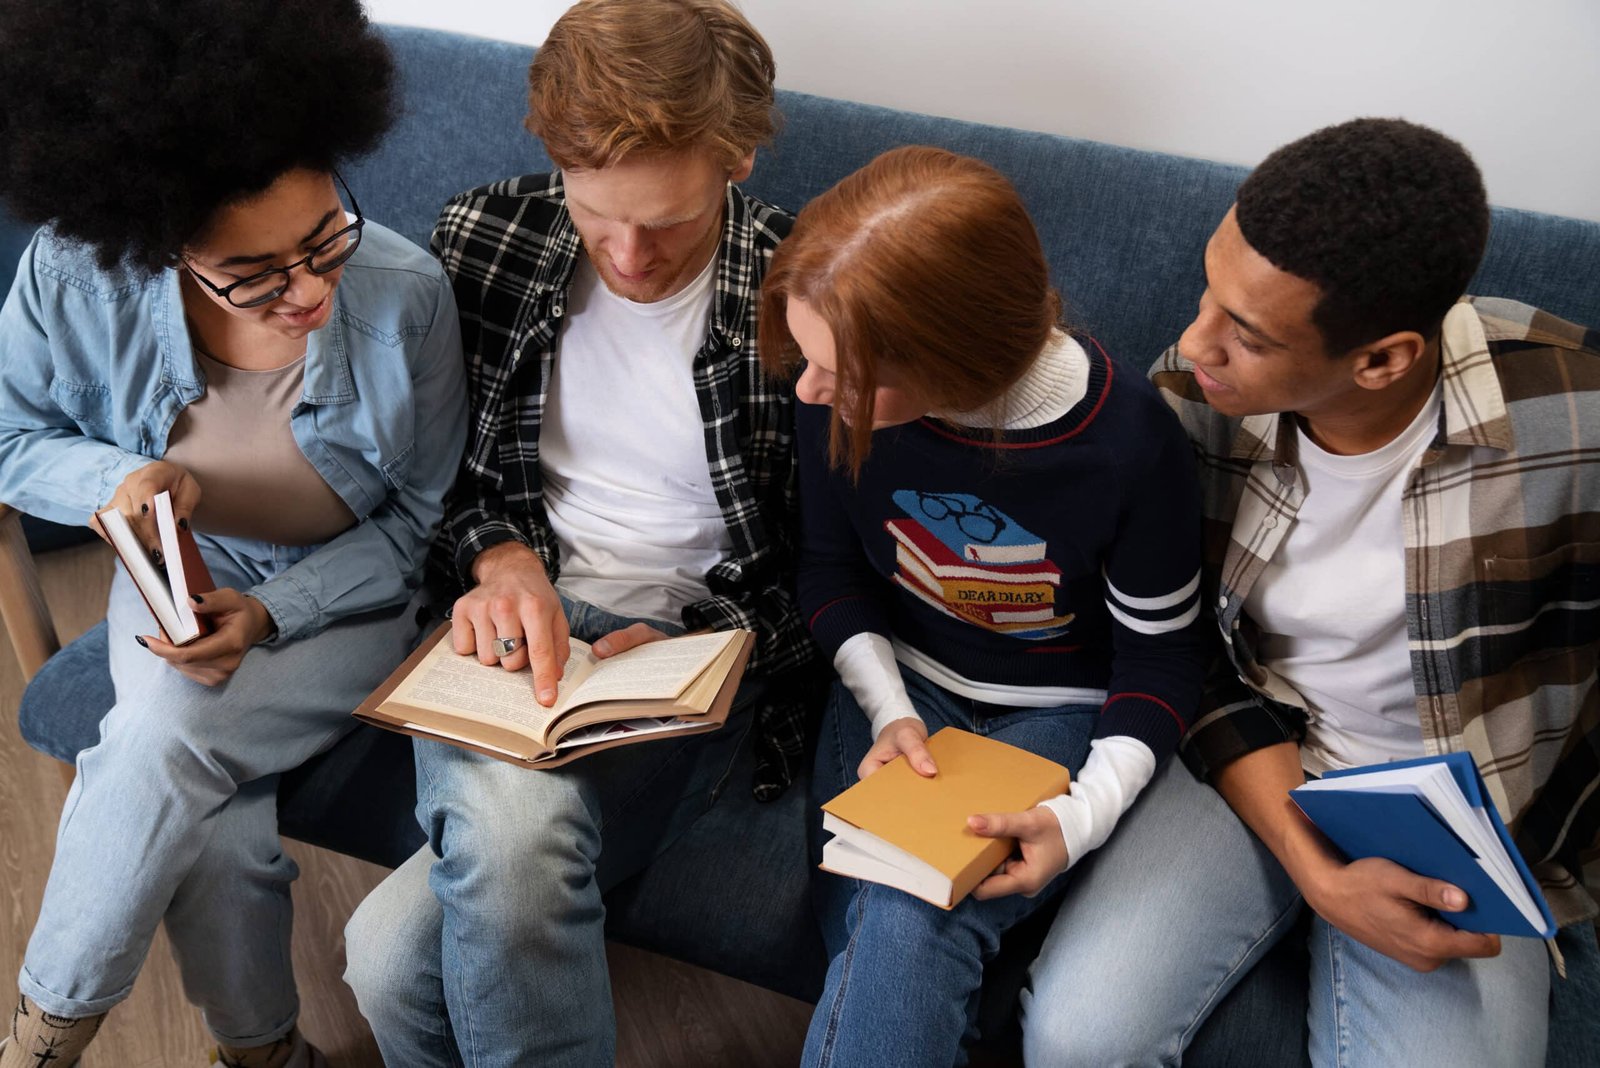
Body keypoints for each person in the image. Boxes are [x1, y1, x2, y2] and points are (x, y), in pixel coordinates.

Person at [1023, 117, 1600, 1066]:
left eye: (1243, 334)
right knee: (1078, 1037)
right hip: (1256, 752)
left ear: (1382, 359)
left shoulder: (1568, 422)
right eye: (1209, 291)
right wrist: (1312, 865)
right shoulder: (1190, 409)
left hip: (1456, 809)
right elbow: (1182, 651)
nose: (1191, 341)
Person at [339, 2, 815, 1064]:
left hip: (695, 658)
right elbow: (436, 476)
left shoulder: (805, 293)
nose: (631, 254)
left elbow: (835, 566)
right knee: (394, 955)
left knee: (390, 958)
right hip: (517, 630)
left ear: (740, 154)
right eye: (596, 212)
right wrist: (494, 555)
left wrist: (722, 637)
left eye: (671, 222)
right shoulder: (485, 239)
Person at [0, 2, 468, 1066]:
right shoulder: (77, 275)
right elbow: (9, 433)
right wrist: (115, 476)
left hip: (351, 589)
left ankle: (42, 1041)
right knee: (208, 811)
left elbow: (416, 523)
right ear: (162, 243)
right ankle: (263, 1056)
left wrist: (271, 612)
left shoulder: (406, 297)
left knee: (163, 742)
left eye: (323, 240)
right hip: (174, 572)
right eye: (255, 273)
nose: (306, 290)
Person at [759, 144, 1208, 1067]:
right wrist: (889, 709)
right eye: (807, 360)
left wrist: (1080, 818)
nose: (808, 391)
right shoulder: (827, 390)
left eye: (840, 375)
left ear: (958, 361)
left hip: (1058, 711)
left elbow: (1162, 661)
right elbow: (829, 571)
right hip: (898, 687)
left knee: (903, 916)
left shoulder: (1127, 445)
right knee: (883, 907)